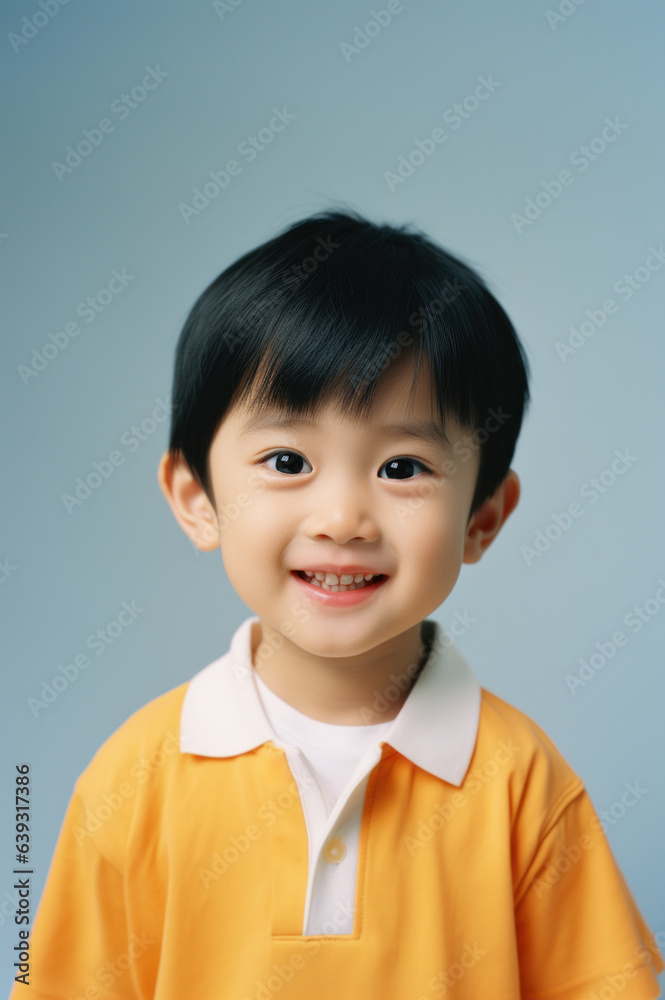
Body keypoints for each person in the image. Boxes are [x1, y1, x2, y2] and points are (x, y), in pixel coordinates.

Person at [13, 210, 663, 999]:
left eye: (402, 467)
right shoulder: (134, 780)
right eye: (287, 460)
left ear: (482, 517)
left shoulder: (521, 783)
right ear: (196, 499)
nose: (342, 519)